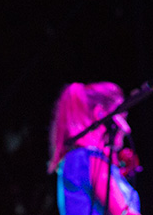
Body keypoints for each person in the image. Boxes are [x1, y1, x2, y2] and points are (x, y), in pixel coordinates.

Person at [48, 82, 142, 215]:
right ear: (100, 114)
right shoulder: (89, 158)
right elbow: (124, 213)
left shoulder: (76, 158)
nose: (126, 127)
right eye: (122, 116)